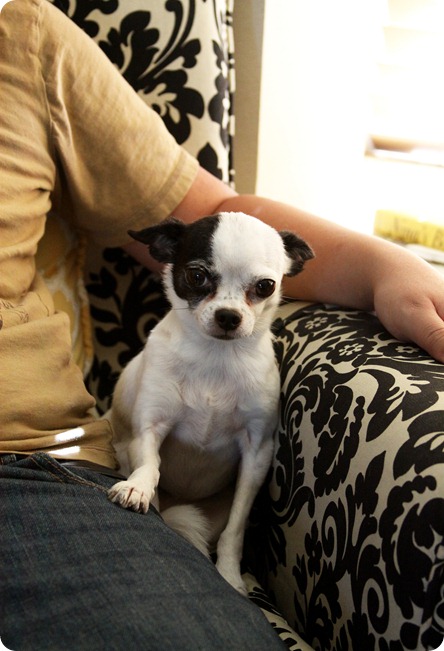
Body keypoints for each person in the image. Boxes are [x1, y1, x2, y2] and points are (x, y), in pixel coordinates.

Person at [0, 1, 443, 650]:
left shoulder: (24, 40)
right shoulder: (164, 353)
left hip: (32, 463)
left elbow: (220, 213)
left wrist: (387, 268)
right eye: (204, 282)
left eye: (259, 290)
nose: (230, 306)